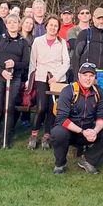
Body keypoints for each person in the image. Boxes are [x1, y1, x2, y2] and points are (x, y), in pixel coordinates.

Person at [50, 62, 103, 174]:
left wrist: (95, 131)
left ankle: (88, 160)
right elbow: (61, 119)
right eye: (85, 75)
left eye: (91, 76)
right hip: (71, 132)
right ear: (79, 75)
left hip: (90, 131)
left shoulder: (99, 92)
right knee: (58, 132)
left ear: (95, 78)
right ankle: (60, 163)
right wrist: (82, 131)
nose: (88, 79)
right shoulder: (68, 91)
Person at [0, 13, 31, 148]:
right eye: (10, 22)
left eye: (15, 22)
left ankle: (6, 138)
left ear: (19, 25)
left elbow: (26, 63)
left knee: (10, 107)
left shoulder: (23, 42)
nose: (12, 25)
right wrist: (2, 71)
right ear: (6, 25)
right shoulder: (0, 39)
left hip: (14, 77)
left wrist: (15, 64)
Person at [27, 15, 70, 149]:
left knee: (53, 109)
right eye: (51, 25)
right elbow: (33, 62)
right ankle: (34, 134)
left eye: (55, 26)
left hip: (57, 80)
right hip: (41, 78)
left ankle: (47, 136)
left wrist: (56, 77)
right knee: (42, 107)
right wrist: (30, 80)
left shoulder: (62, 42)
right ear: (46, 26)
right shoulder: (38, 41)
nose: (53, 28)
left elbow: (66, 62)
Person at [71, 7, 103, 73]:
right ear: (93, 19)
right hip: (86, 75)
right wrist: (77, 76)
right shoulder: (85, 34)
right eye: (98, 19)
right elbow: (76, 57)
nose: (101, 21)